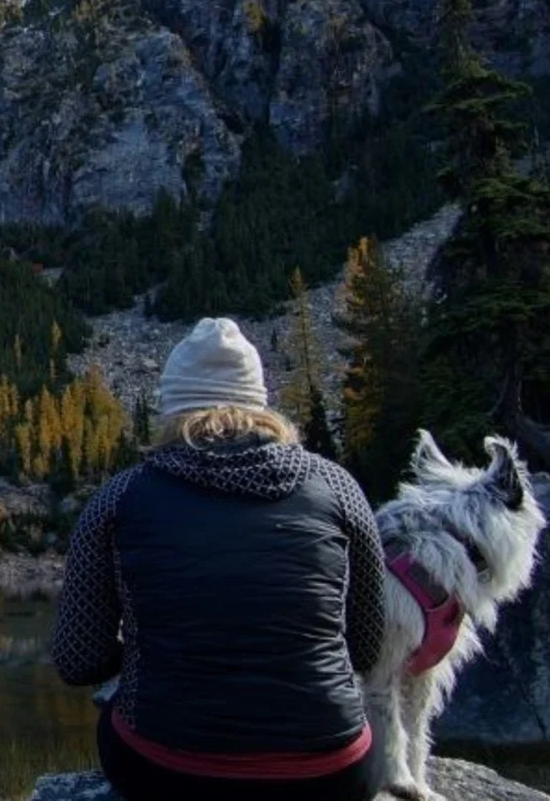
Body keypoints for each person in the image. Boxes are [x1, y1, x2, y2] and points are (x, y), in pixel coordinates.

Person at [50, 318, 393, 801]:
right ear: (259, 402)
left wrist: (143, 649)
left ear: (172, 407)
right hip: (331, 775)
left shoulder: (119, 498)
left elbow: (76, 660)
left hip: (169, 772)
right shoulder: (339, 488)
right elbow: (365, 650)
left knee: (119, 715)